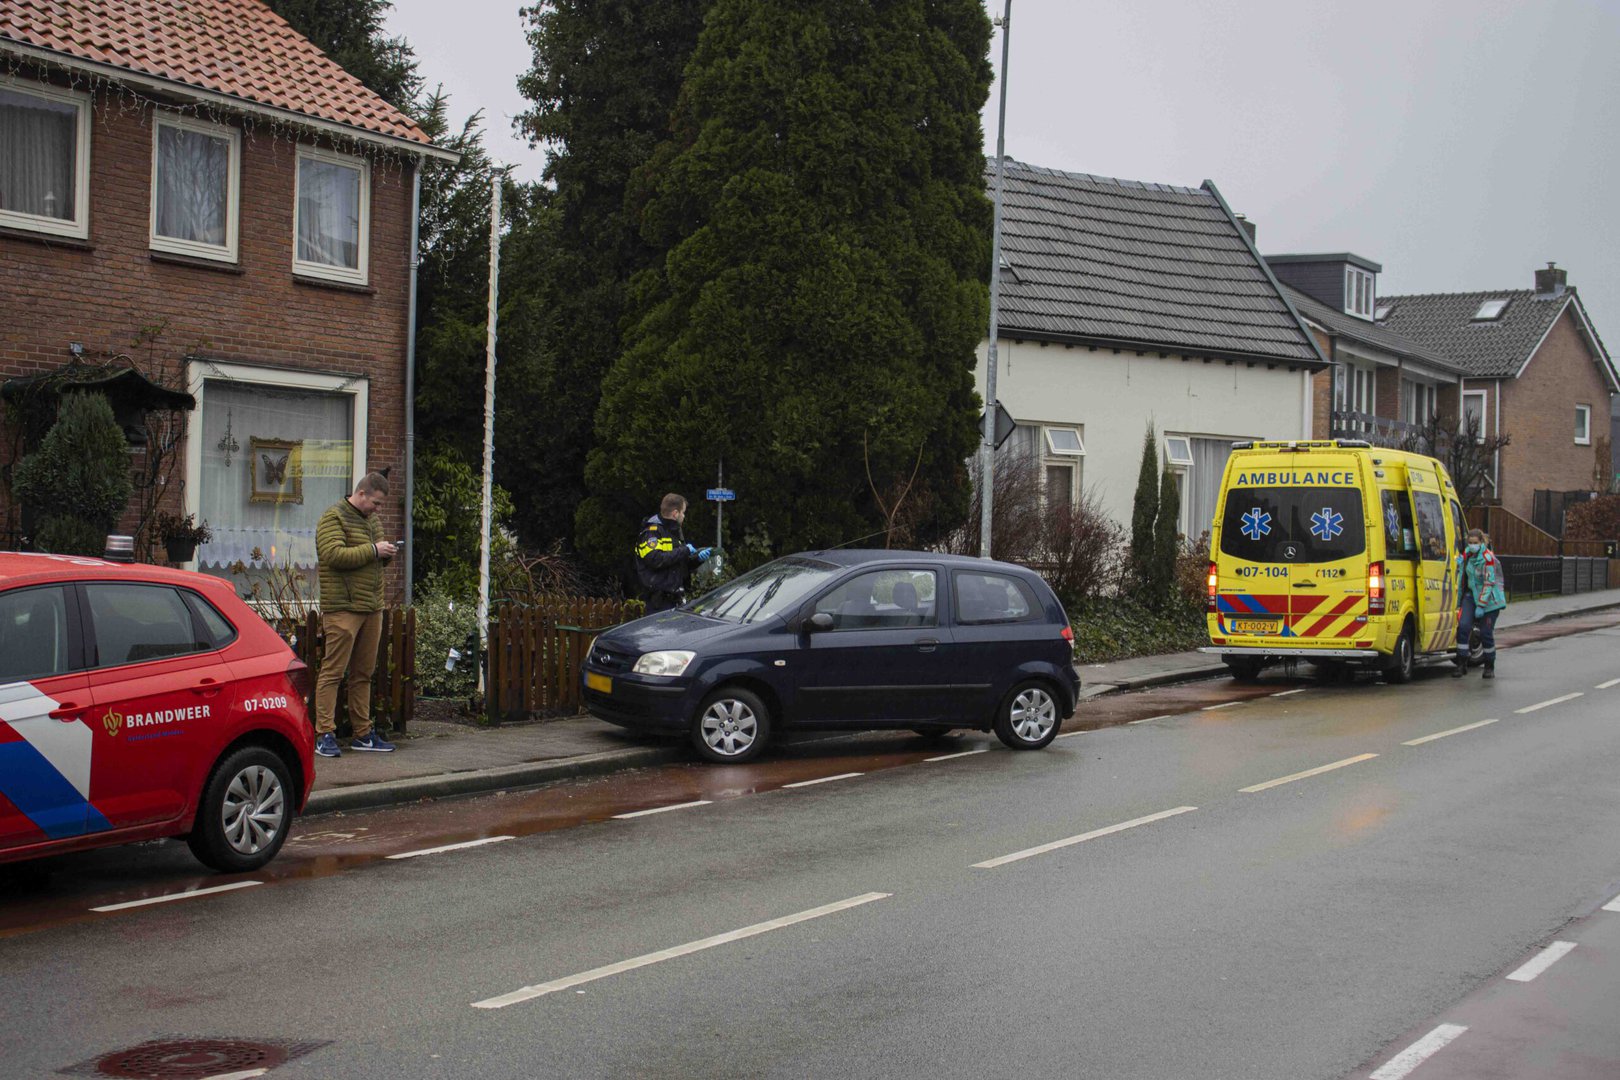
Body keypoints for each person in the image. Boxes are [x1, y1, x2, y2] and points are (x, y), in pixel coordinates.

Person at [313, 472, 398, 756]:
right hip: (342, 607)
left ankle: (363, 734)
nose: (378, 509)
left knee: (363, 673)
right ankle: (324, 733)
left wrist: (384, 555)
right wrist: (374, 550)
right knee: (333, 672)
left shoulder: (372, 521)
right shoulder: (333, 517)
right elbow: (333, 555)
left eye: (381, 505)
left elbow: (371, 560)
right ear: (361, 493)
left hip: (372, 607)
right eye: (375, 502)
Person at [636, 493, 712, 614]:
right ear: (675, 513)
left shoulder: (673, 532)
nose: (684, 516)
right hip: (658, 603)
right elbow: (655, 560)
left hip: (676, 599)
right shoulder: (652, 533)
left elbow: (678, 564)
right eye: (683, 512)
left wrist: (697, 559)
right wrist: (684, 550)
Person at [1453, 528, 1506, 680]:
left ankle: (1489, 666)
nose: (1472, 545)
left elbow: (1489, 582)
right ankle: (1461, 663)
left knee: (1485, 633)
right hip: (1470, 596)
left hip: (1489, 600)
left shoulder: (1487, 558)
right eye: (1469, 543)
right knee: (1463, 627)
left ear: (1481, 542)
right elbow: (1463, 577)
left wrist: (1482, 605)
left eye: (1475, 543)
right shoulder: (1467, 555)